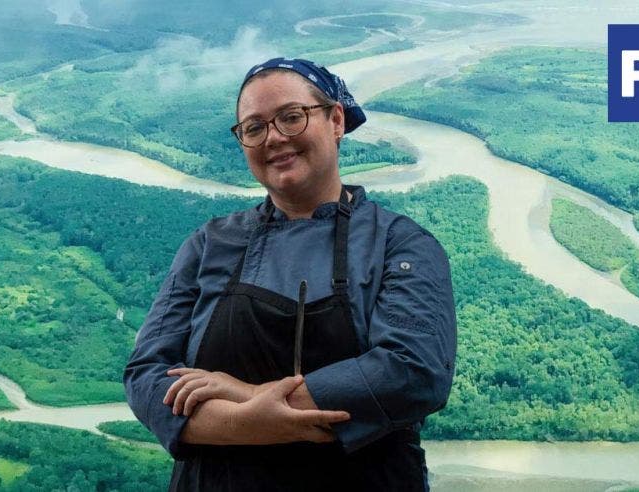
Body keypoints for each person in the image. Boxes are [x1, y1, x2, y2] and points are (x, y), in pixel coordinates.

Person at [124, 57, 457, 491]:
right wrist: (248, 422)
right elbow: (146, 374)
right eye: (254, 127)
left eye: (291, 117)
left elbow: (413, 371)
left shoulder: (400, 243)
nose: (274, 138)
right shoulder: (208, 245)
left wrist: (248, 396)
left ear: (336, 119)